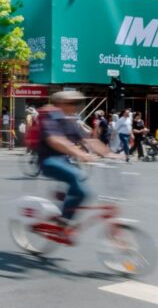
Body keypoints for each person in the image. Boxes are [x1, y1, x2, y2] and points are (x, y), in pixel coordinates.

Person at [37, 89, 112, 225]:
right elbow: (55, 140)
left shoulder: (70, 121)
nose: (75, 106)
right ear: (60, 104)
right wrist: (79, 153)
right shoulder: (50, 117)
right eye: (72, 103)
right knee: (80, 183)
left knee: (82, 185)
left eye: (77, 103)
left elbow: (89, 140)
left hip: (65, 160)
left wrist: (110, 153)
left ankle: (64, 212)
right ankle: (64, 219)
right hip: (49, 160)